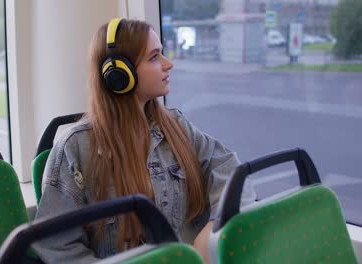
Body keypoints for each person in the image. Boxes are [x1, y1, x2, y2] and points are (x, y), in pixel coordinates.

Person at [33, 18, 256, 264]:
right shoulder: (76, 148)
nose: (168, 64)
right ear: (118, 75)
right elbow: (56, 246)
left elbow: (230, 170)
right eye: (154, 57)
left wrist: (214, 226)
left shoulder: (176, 127)